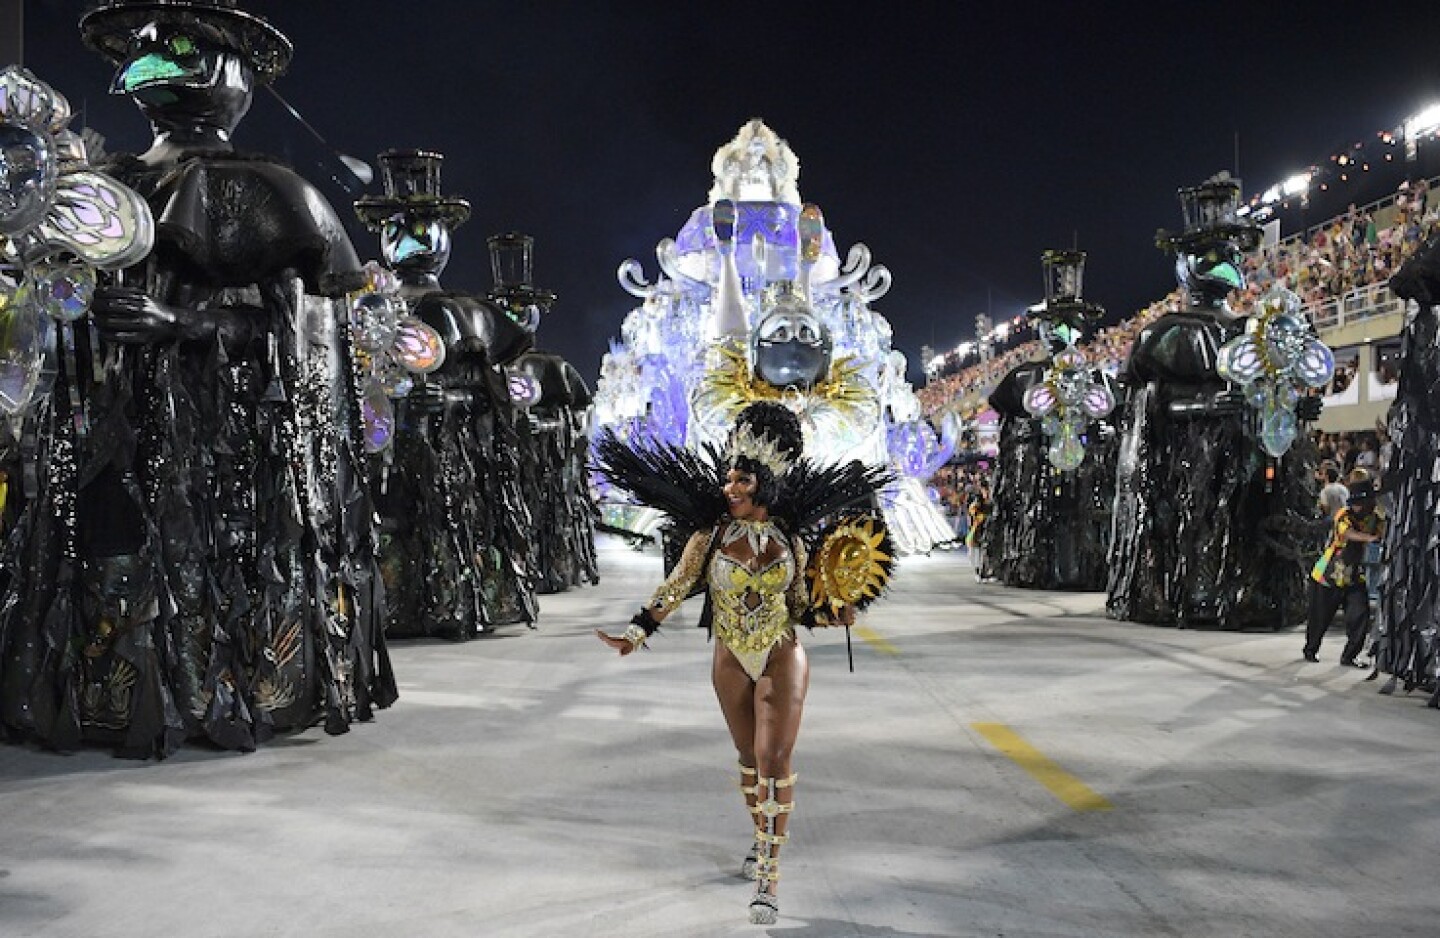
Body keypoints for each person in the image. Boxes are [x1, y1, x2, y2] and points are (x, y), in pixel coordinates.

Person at [594, 401, 891, 925]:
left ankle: (768, 881)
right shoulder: (709, 538)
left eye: (742, 480)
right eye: (728, 478)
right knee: (750, 760)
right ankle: (761, 836)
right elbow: (676, 586)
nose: (729, 488)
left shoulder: (790, 539)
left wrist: (835, 614)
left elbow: (800, 607)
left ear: (765, 483)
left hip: (781, 653)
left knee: (774, 757)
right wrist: (637, 633)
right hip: (730, 658)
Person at [1304, 478, 1385, 666]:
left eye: (1361, 503)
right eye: (1355, 503)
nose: (1357, 507)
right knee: (1320, 617)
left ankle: (1349, 656)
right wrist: (1369, 538)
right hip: (1327, 574)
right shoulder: (1343, 514)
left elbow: (1384, 532)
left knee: (1360, 615)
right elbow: (1347, 533)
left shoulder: (1375, 518)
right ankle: (1311, 650)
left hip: (1354, 575)